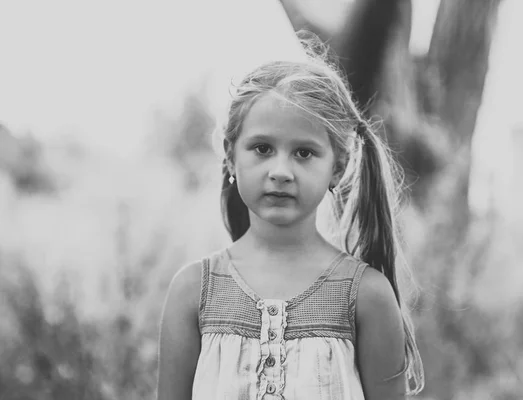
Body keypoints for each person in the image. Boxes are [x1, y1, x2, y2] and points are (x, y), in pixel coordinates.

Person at [157, 34, 424, 400]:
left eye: (304, 152)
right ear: (231, 155)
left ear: (338, 166)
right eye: (262, 148)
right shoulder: (192, 293)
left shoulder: (368, 296)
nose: (281, 170)